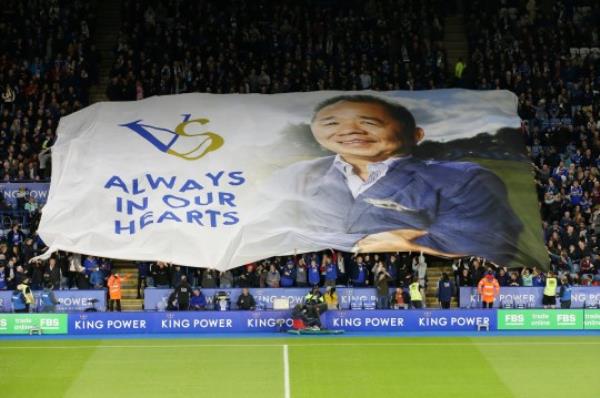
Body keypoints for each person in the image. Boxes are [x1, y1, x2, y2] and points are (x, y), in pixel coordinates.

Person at [231, 94, 523, 266]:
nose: (350, 131)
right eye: (331, 123)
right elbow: (262, 231)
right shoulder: (293, 177)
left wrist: (413, 244)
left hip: (402, 270)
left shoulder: (464, 179)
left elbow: (486, 241)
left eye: (369, 123)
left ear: (416, 134)